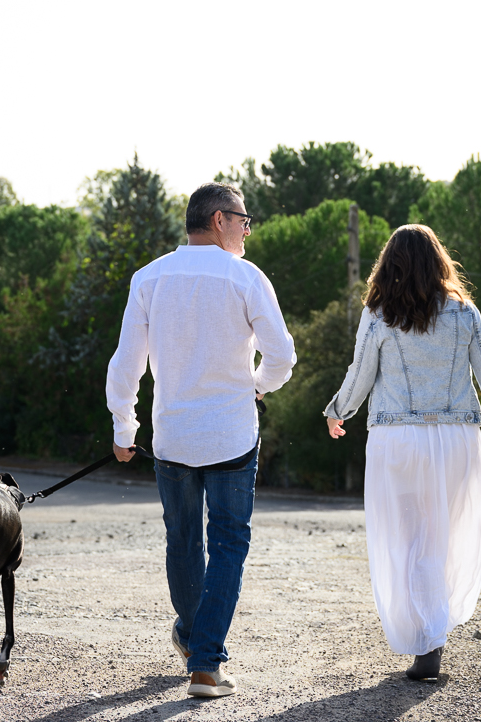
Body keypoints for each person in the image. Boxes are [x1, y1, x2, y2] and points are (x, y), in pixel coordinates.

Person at [107, 182, 295, 698]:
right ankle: (206, 663)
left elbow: (127, 362)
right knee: (230, 543)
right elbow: (281, 358)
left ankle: (193, 640)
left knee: (183, 541)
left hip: (172, 438)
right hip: (232, 435)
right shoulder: (246, 278)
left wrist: (125, 427)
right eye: (243, 219)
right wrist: (256, 387)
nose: (247, 229)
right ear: (219, 220)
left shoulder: (149, 278)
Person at [324, 224, 481, 680]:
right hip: (457, 440)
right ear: (440, 261)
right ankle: (433, 633)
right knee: (444, 535)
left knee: (409, 537)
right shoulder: (465, 313)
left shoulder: (378, 314)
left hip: (399, 442)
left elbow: (360, 373)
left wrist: (338, 410)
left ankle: (426, 639)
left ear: (388, 263)